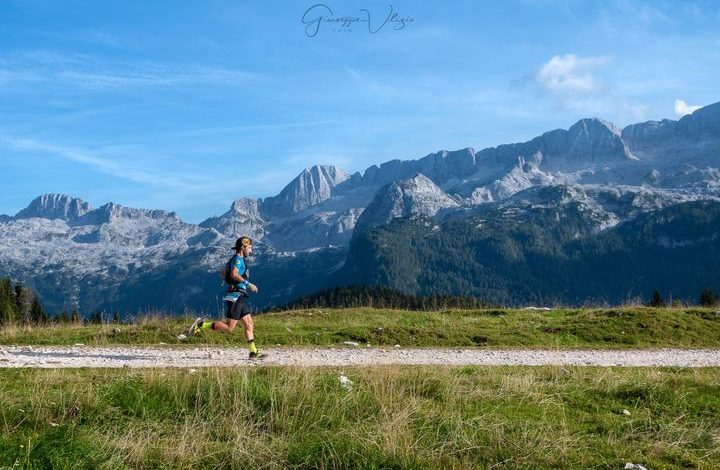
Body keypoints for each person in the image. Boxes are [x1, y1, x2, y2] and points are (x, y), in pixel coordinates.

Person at [188, 236, 265, 359]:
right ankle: (202, 325)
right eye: (249, 248)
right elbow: (233, 273)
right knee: (229, 328)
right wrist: (248, 284)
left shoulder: (236, 260)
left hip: (240, 296)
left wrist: (231, 282)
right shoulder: (238, 260)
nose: (251, 251)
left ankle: (253, 352)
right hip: (236, 297)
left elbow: (224, 273)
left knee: (249, 324)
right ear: (242, 247)